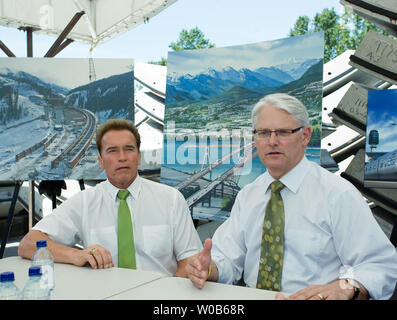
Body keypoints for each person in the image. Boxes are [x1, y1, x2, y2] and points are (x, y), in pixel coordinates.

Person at [185, 93, 397, 300]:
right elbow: (228, 259)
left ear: (305, 135)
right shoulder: (248, 195)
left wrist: (346, 287)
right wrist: (209, 268)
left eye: (283, 132)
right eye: (263, 133)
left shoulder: (338, 194)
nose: (272, 141)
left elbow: (378, 264)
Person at [18, 119, 202, 277]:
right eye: (112, 150)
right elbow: (28, 243)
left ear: (138, 157)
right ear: (100, 161)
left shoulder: (171, 200)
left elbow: (190, 262)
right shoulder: (84, 202)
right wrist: (76, 255)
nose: (122, 158)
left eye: (129, 149)